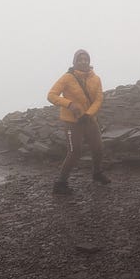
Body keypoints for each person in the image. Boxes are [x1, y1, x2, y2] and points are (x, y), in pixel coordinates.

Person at [47, 49, 110, 194]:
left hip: (89, 120)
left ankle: (97, 173)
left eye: (86, 59)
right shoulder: (67, 78)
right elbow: (51, 95)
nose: (83, 61)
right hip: (72, 121)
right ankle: (60, 183)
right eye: (80, 59)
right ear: (74, 62)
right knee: (75, 151)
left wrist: (88, 114)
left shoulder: (96, 78)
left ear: (89, 61)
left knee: (98, 148)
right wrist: (69, 104)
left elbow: (99, 99)